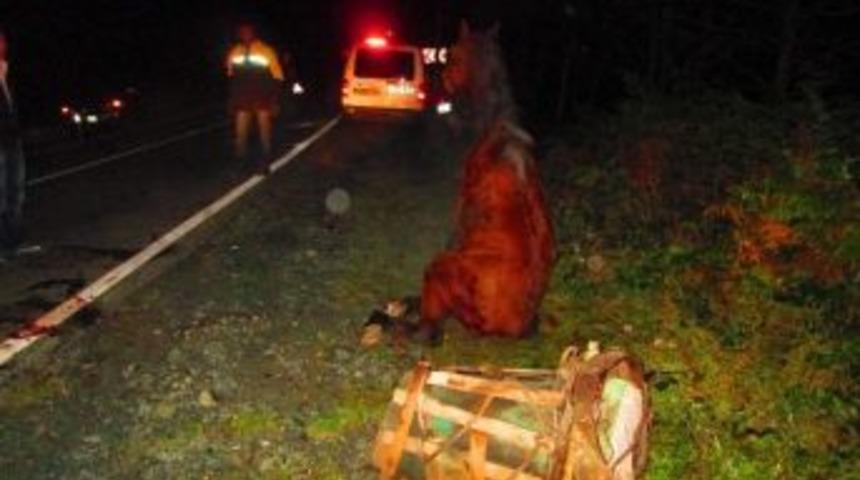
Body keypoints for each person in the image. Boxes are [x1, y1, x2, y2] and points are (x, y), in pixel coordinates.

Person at [225, 24, 284, 172]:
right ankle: (241, 161)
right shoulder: (234, 52)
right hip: (242, 98)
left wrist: (275, 100)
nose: (245, 34)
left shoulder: (266, 50)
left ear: (254, 33)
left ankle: (265, 161)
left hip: (262, 97)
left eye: (248, 32)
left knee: (264, 131)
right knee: (240, 133)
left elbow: (277, 77)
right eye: (242, 32)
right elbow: (231, 78)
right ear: (238, 34)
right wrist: (232, 100)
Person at [0, 29, 25, 258]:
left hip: (12, 141)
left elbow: (10, 112)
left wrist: (3, 79)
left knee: (16, 194)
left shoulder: (5, 75)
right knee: (2, 196)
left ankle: (12, 245)